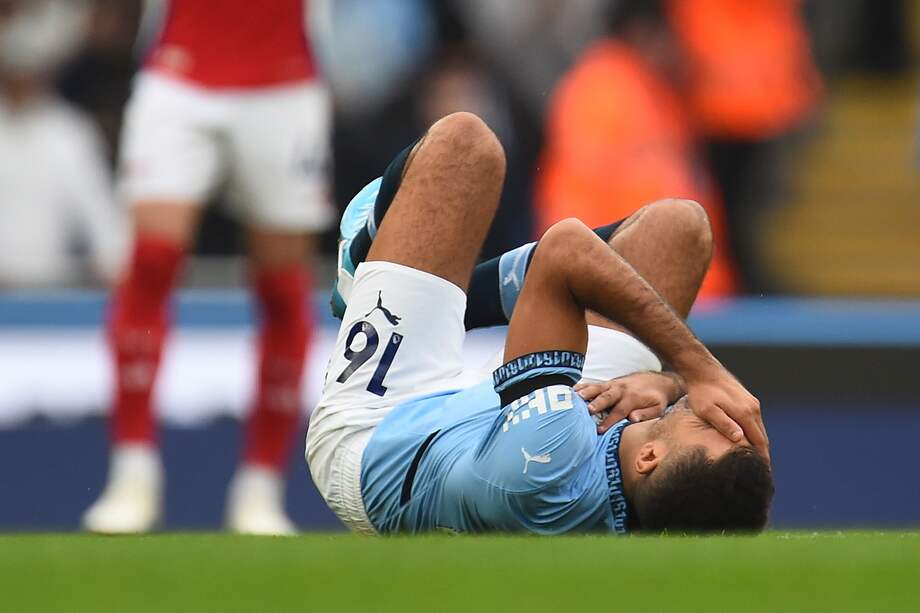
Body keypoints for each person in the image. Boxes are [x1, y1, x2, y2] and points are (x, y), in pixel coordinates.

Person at [308, 112, 772, 535]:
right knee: (678, 230)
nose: (722, 421)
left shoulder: (550, 457)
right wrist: (667, 383)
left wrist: (699, 371)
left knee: (465, 145)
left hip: (384, 439)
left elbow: (564, 249)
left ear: (650, 458)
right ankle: (436, 299)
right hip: (509, 428)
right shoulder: (647, 477)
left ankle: (369, 271)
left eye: (710, 431)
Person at [83, 0, 331, 535]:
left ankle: (261, 487)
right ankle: (132, 473)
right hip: (181, 70)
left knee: (282, 287)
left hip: (283, 81)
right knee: (151, 260)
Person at [536, 0, 736, 298]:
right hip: (628, 291)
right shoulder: (600, 91)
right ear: (645, 33)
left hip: (665, 289)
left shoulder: (653, 90)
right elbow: (578, 197)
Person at [0, 0, 124, 288]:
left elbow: (101, 215)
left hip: (49, 291)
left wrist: (114, 260)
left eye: (29, 70)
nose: (22, 80)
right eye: (14, 69)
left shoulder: (70, 132)